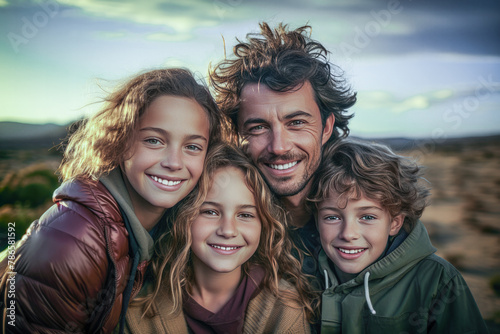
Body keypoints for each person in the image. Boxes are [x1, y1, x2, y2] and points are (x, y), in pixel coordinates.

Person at [0, 68, 229, 333]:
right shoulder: (74, 242)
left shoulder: (179, 222)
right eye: (154, 140)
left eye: (192, 147)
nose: (174, 163)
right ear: (120, 141)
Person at [210, 22, 357, 279]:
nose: (279, 146)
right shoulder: (215, 228)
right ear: (237, 134)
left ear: (326, 127)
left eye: (296, 123)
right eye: (258, 127)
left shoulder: (375, 220)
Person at [123, 143, 316, 333]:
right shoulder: (139, 309)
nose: (228, 230)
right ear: (183, 217)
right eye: (210, 212)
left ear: (264, 225)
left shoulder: (287, 309)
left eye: (245, 215)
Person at [309, 139, 489, 333]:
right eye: (332, 217)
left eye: (368, 217)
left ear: (395, 222)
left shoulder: (437, 280)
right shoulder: (302, 272)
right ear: (316, 219)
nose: (348, 234)